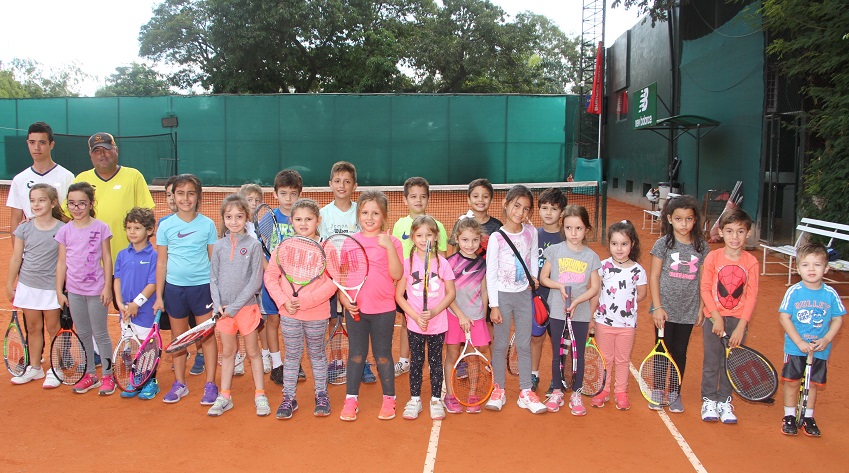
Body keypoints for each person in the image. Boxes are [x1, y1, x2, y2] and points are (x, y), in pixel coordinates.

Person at [265, 199, 337, 419]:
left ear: (318, 220)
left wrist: (306, 301)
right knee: (292, 355)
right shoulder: (284, 247)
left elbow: (333, 281)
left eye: (309, 219)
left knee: (317, 354)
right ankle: (289, 397)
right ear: (291, 221)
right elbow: (270, 276)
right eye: (298, 219)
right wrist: (283, 301)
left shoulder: (327, 247)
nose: (303, 223)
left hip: (317, 314)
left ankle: (321, 394)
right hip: (289, 314)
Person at [152, 174, 219, 405]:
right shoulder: (165, 226)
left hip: (202, 288)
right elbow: (161, 262)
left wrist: (217, 293)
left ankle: (210, 384)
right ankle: (179, 383)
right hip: (174, 289)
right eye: (180, 193)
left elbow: (213, 261)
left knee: (206, 336)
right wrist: (159, 296)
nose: (186, 198)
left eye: (191, 193)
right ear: (173, 196)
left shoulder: (208, 225)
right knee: (178, 337)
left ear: (198, 196)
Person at [339, 191, 403, 421]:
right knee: (356, 355)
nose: (369, 217)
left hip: (384, 310)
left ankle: (389, 399)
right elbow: (342, 277)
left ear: (384, 216)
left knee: (383, 355)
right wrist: (344, 300)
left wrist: (389, 247)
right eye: (365, 212)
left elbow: (397, 274)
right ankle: (351, 400)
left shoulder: (393, 242)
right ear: (358, 214)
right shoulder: (349, 242)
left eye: (375, 213)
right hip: (356, 309)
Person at [485, 185, 545, 413]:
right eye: (516, 206)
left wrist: (534, 278)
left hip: (523, 296)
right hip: (502, 297)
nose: (520, 212)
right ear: (506, 204)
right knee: (500, 345)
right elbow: (491, 272)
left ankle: (526, 391)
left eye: (526, 208)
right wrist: (494, 305)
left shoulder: (531, 232)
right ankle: (498, 389)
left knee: (523, 344)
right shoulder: (496, 238)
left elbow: (533, 256)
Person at [206, 195, 267, 417]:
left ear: (246, 218)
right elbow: (213, 277)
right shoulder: (219, 246)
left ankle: (260, 394)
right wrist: (217, 305)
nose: (234, 221)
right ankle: (225, 396)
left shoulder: (254, 245)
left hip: (246, 309)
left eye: (239, 216)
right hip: (224, 311)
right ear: (223, 218)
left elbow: (255, 281)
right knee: (228, 352)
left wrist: (234, 307)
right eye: (229, 217)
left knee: (253, 352)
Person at [648, 195, 709, 413]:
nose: (684, 224)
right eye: (679, 219)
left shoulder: (701, 246)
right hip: (664, 309)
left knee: (680, 351)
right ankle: (657, 390)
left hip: (688, 309)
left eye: (689, 219)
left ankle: (674, 392)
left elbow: (704, 280)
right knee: (661, 349)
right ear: (669, 219)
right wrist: (657, 307)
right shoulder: (662, 244)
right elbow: (654, 276)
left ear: (695, 220)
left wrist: (701, 307)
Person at [539, 205, 601, 415]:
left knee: (578, 354)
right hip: (557, 311)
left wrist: (577, 301)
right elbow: (543, 278)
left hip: (580, 313)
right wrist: (559, 286)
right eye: (568, 228)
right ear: (562, 228)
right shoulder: (555, 251)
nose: (573, 233)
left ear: (587, 229)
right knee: (557, 352)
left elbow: (595, 287)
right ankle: (557, 391)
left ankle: (576, 393)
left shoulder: (591, 256)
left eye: (579, 228)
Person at [699, 209, 759, 424]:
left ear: (748, 233)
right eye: (730, 231)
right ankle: (709, 400)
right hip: (713, 319)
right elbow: (705, 288)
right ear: (721, 232)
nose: (735, 237)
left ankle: (724, 401)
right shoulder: (713, 257)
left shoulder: (751, 262)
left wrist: (742, 326)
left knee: (730, 363)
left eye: (740, 231)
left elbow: (751, 296)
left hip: (737, 321)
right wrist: (716, 317)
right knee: (712, 362)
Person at [318, 161, 376, 384]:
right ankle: (336, 361)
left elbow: (366, 241)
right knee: (334, 320)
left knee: (359, 319)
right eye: (337, 181)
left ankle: (362, 361)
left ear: (355, 185)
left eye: (347, 181)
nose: (342, 185)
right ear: (330, 184)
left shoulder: (360, 213)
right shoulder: (323, 214)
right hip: (331, 276)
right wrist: (334, 270)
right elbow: (322, 246)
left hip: (356, 276)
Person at [54, 182, 114, 395]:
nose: (76, 208)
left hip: (97, 291)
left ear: (90, 204)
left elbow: (107, 258)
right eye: (71, 203)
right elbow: (61, 262)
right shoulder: (64, 231)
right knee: (84, 333)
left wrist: (107, 287)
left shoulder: (101, 228)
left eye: (81, 203)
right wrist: (59, 291)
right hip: (74, 291)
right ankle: (90, 374)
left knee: (101, 333)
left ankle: (108, 375)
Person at [779, 243, 845, 437]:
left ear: (826, 268)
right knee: (792, 382)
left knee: (812, 384)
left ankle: (808, 417)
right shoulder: (794, 292)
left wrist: (826, 338)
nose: (811, 269)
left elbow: (837, 319)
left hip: (819, 349)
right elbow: (784, 318)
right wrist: (799, 342)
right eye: (806, 265)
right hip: (795, 348)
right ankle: (789, 416)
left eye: (817, 265)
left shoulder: (830, 294)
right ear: (798, 269)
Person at [396, 216, 456, 420]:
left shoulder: (443, 263)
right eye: (419, 235)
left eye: (428, 235)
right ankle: (415, 399)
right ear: (413, 237)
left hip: (438, 323)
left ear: (436, 237)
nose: (424, 239)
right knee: (416, 361)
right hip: (415, 324)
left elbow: (451, 293)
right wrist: (415, 317)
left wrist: (434, 312)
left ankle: (436, 400)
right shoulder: (407, 263)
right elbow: (399, 295)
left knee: (435, 361)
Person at [6, 184, 65, 387]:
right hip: (27, 285)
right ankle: (35, 367)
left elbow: (62, 261)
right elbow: (16, 258)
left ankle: (56, 369)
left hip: (50, 287)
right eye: (33, 201)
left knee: (53, 328)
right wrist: (9, 284)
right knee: (32, 328)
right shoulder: (24, 228)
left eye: (41, 200)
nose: (36, 204)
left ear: (53, 202)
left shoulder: (62, 229)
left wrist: (60, 288)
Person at [392, 177, 449, 377]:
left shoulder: (438, 226)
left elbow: (442, 258)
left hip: (432, 288)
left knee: (434, 324)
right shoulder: (399, 225)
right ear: (405, 200)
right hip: (408, 284)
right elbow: (396, 254)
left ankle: (434, 363)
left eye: (423, 197)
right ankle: (404, 361)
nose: (418, 200)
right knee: (407, 321)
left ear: (428, 199)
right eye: (413, 196)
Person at [73, 132, 155, 266]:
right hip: (91, 264)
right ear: (90, 155)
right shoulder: (81, 179)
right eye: (97, 151)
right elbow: (67, 216)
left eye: (106, 149)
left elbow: (146, 216)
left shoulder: (134, 176)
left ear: (116, 150)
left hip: (128, 261)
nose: (102, 154)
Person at [591, 220, 647, 410]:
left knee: (623, 360)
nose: (619, 248)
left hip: (626, 325)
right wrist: (592, 316)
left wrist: (626, 304)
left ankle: (621, 392)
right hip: (604, 323)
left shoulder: (638, 270)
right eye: (614, 244)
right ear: (609, 244)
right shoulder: (603, 266)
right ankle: (603, 390)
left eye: (624, 244)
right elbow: (596, 292)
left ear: (632, 244)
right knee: (605, 359)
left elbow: (642, 294)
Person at [443, 218, 490, 414]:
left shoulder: (483, 264)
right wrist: (461, 315)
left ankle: (472, 394)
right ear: (456, 239)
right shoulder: (449, 263)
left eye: (475, 240)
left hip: (475, 318)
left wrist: (482, 316)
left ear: (480, 240)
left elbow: (484, 291)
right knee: (452, 355)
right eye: (465, 240)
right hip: (454, 316)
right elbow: (447, 294)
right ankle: (450, 395)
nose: (470, 245)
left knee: (473, 358)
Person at [114, 208, 160, 400]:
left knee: (147, 348)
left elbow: (153, 283)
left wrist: (136, 304)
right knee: (133, 347)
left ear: (149, 230)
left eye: (137, 228)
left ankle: (150, 381)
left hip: (145, 312)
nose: (132, 232)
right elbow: (117, 280)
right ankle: (137, 379)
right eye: (129, 228)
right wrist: (120, 303)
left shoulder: (154, 256)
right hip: (126, 312)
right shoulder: (122, 255)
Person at [264, 170, 303, 385]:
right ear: (275, 194)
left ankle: (294, 362)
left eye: (293, 194)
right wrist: (273, 273)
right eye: (283, 193)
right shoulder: (269, 219)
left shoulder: (302, 218)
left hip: (296, 283)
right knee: (273, 320)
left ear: (300, 194)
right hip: (273, 283)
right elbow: (261, 250)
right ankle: (277, 365)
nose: (288, 199)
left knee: (294, 323)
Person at [6, 122, 73, 234]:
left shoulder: (67, 177)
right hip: (30, 243)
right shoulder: (19, 179)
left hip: (60, 240)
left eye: (42, 142)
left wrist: (47, 223)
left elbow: (72, 214)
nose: (36, 148)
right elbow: (16, 219)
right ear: (27, 143)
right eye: (32, 142)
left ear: (51, 145)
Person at [532, 188, 566, 394]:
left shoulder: (566, 237)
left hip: (559, 299)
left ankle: (557, 377)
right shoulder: (533, 235)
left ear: (561, 212)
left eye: (554, 209)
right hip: (537, 298)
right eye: (544, 208)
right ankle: (533, 374)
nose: (548, 213)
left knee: (558, 341)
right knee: (536, 338)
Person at [239, 183, 271, 374]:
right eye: (249, 199)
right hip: (241, 283)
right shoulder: (235, 226)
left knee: (262, 320)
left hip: (260, 282)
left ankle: (265, 354)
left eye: (257, 200)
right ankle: (238, 356)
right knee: (239, 319)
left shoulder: (263, 226)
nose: (253, 203)